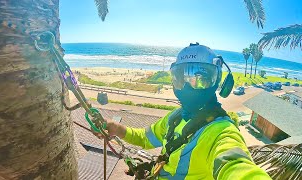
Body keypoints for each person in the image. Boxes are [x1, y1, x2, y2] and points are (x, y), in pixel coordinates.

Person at [95, 43, 271, 179]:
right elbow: (144, 138)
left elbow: (236, 166)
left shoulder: (222, 132)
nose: (188, 86)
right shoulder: (175, 117)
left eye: (199, 78)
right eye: (181, 78)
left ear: (216, 81)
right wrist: (117, 129)